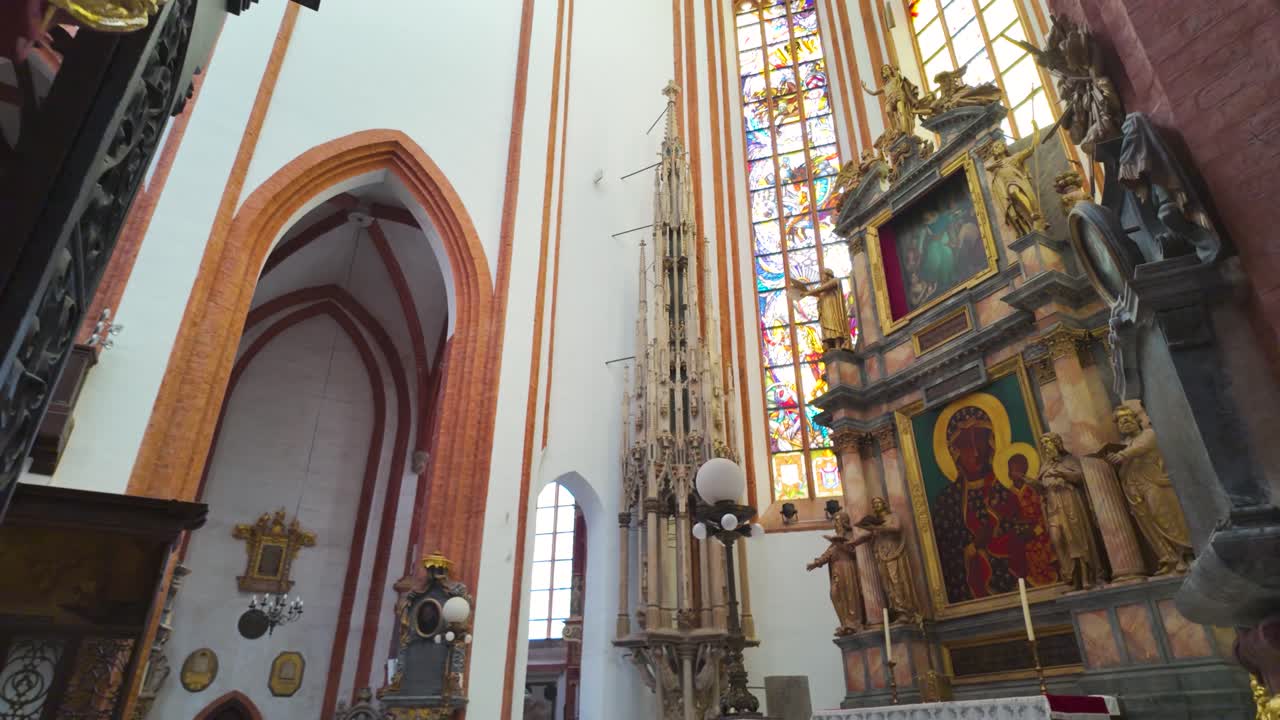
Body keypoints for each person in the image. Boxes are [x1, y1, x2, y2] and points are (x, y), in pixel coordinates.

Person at [932, 406, 1028, 602]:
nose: (976, 452)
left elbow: (1024, 526)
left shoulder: (1005, 487)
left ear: (992, 443)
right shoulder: (946, 501)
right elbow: (945, 553)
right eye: (967, 445)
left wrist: (997, 534)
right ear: (954, 452)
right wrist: (972, 548)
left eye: (981, 441)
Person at [1108, 406, 1193, 575]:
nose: (1124, 422)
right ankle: (1170, 558)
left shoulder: (1148, 434)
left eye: (1127, 418)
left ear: (1137, 420)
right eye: (1120, 421)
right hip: (1133, 487)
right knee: (1148, 524)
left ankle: (1187, 554)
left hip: (1153, 482)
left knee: (1164, 517)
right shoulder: (1123, 445)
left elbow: (1142, 447)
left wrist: (1123, 456)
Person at [1033, 433, 1103, 590]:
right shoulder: (1044, 466)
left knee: (1076, 540)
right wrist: (1036, 485)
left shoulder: (1069, 460)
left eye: (1048, 443)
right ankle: (1071, 576)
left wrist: (1062, 473)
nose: (1045, 447)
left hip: (1070, 503)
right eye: (1043, 445)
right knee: (1058, 540)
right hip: (1053, 508)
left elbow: (1080, 476)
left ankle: (1086, 577)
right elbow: (1042, 487)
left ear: (1057, 444)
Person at [806, 511, 863, 635]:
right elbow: (828, 554)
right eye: (835, 521)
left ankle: (853, 622)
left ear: (844, 522)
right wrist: (815, 563)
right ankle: (845, 623)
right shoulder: (835, 541)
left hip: (847, 567)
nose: (835, 523)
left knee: (849, 594)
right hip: (836, 570)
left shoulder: (850, 535)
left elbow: (854, 551)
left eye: (837, 520)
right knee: (834, 594)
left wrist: (839, 544)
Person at [790, 269, 850, 349]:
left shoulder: (835, 281)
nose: (823, 278)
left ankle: (838, 345)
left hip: (833, 310)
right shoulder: (823, 290)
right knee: (827, 327)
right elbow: (818, 292)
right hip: (825, 311)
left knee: (834, 326)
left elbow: (821, 289)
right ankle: (830, 346)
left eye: (824, 275)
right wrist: (805, 292)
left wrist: (808, 293)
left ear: (828, 275)